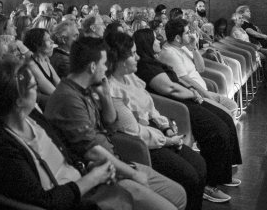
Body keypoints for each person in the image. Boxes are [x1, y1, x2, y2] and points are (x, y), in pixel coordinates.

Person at [45, 36, 188, 210]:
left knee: (179, 194)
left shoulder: (87, 88)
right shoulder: (68, 99)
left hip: (116, 161)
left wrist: (106, 96)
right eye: (104, 64)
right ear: (92, 67)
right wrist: (134, 174)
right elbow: (92, 153)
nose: (106, 69)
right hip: (101, 175)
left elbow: (111, 125)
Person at [0, 61, 134, 210]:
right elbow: (45, 201)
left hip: (84, 185)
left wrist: (86, 167)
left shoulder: (32, 116)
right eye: (34, 87)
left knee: (135, 192)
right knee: (135, 195)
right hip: (74, 201)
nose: (38, 90)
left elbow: (63, 151)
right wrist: (93, 179)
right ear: (19, 101)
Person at [105, 32, 210, 207]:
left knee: (199, 164)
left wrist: (165, 126)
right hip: (143, 146)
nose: (138, 57)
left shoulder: (129, 76)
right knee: (189, 176)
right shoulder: (113, 90)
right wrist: (168, 140)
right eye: (133, 54)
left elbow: (150, 106)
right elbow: (134, 132)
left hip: (159, 133)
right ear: (119, 60)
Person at [132, 29, 242, 192]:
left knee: (225, 119)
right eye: (155, 40)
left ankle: (222, 175)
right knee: (217, 129)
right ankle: (210, 183)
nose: (158, 42)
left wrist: (193, 91)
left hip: (186, 98)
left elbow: (184, 78)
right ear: (147, 44)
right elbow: (169, 88)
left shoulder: (152, 60)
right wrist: (193, 93)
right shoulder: (145, 66)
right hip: (177, 105)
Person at [157, 19, 241, 115]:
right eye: (187, 33)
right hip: (196, 97)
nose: (190, 35)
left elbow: (201, 68)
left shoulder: (182, 47)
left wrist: (194, 48)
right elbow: (186, 80)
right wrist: (208, 95)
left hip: (203, 91)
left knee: (232, 106)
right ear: (177, 38)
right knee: (230, 109)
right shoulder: (170, 54)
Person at [227, 13, 267, 86]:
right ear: (235, 20)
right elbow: (240, 45)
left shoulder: (241, 29)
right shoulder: (235, 31)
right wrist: (254, 47)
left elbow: (247, 41)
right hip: (246, 51)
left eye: (242, 18)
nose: (242, 19)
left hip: (251, 48)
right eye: (240, 18)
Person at [24, 27, 62, 98]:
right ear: (38, 45)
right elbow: (53, 92)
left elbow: (60, 84)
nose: (52, 41)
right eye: (48, 39)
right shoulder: (32, 66)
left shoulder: (45, 61)